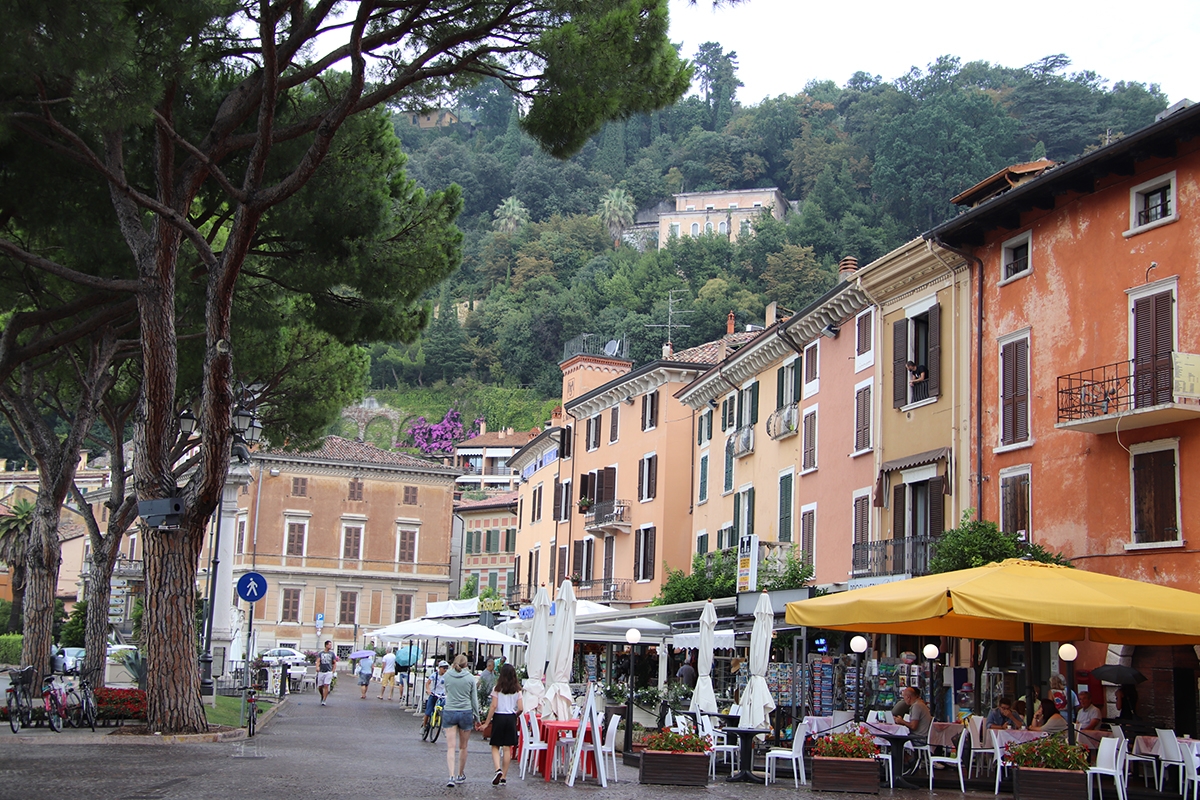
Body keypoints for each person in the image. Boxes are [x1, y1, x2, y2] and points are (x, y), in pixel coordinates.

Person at [480, 663, 523, 786]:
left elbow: (493, 706)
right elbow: (520, 708)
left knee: (495, 745)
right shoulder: (517, 690)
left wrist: (487, 722)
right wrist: (515, 715)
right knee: (507, 748)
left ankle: (498, 769)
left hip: (499, 717)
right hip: (510, 717)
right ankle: (504, 776)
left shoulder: (497, 689)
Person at [442, 654, 480, 787]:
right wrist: (477, 717)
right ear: (466, 664)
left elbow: (446, 691)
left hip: (450, 710)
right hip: (465, 712)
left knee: (450, 747)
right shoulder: (470, 678)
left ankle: (451, 776)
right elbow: (474, 699)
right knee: (463, 747)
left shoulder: (447, 675)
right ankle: (460, 774)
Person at [424, 660, 450, 730]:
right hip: (434, 694)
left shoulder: (447, 676)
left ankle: (442, 725)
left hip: (442, 695)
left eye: (446, 668)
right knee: (428, 712)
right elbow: (428, 683)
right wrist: (428, 690)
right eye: (443, 668)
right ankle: (424, 726)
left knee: (445, 710)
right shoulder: (434, 675)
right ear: (439, 668)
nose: (445, 670)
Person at [316, 640, 337, 706]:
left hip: (328, 671)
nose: (330, 646)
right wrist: (317, 667)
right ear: (326, 645)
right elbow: (318, 661)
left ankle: (324, 700)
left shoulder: (332, 654)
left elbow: (334, 662)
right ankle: (322, 695)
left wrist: (333, 670)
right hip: (321, 671)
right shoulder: (321, 653)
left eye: (331, 645)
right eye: (329, 645)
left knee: (326, 685)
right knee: (320, 686)